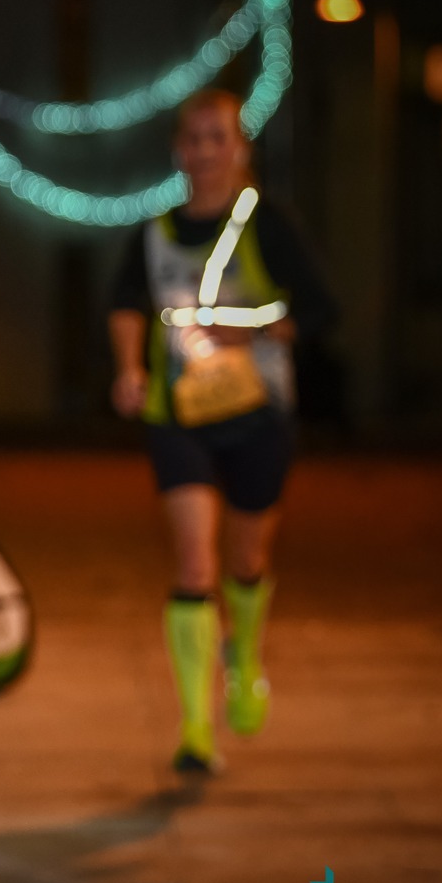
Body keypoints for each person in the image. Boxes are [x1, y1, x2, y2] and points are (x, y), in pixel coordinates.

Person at [108, 89, 337, 774]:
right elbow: (124, 302)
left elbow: (323, 309)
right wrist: (129, 368)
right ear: (178, 151)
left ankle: (245, 653)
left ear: (240, 149)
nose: (205, 151)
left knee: (245, 559)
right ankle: (196, 729)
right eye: (194, 138)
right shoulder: (153, 232)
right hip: (178, 416)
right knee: (194, 564)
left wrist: (257, 328)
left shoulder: (269, 223)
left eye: (218, 138)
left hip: (258, 414)